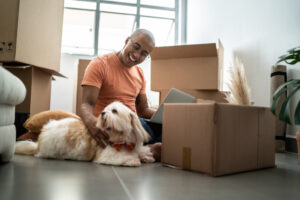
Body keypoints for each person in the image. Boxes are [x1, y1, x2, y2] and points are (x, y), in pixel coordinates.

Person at [79, 29, 161, 161]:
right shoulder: (100, 64)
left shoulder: (139, 73)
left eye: (144, 54)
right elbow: (86, 104)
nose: (136, 55)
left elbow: (143, 110)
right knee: (149, 131)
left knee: (167, 131)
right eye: (136, 47)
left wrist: (166, 115)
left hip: (134, 124)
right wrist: (90, 121)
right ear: (127, 41)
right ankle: (147, 150)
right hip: (113, 125)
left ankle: (146, 149)